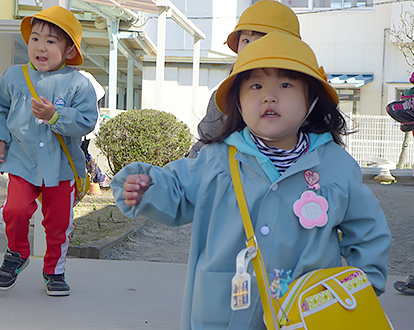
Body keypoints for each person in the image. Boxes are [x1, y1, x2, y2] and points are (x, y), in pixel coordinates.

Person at [111, 32, 391, 328]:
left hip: (307, 313)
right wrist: (148, 188)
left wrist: (362, 286)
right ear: (239, 102)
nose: (269, 96)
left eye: (286, 85)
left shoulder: (335, 166)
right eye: (256, 85)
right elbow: (178, 189)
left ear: (310, 100)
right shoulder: (216, 160)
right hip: (227, 311)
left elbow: (368, 231)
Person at [0, 6, 98, 296]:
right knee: (15, 210)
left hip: (61, 166)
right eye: (35, 39)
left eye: (51, 41)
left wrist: (55, 116)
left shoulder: (79, 83)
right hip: (22, 160)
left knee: (58, 223)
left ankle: (54, 270)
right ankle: (17, 252)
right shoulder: (14, 76)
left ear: (69, 50)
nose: (40, 47)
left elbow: (87, 121)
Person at [188, 0, 301, 158]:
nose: (251, 49)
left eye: (262, 40)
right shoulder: (225, 95)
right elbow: (207, 141)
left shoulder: (303, 95)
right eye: (246, 41)